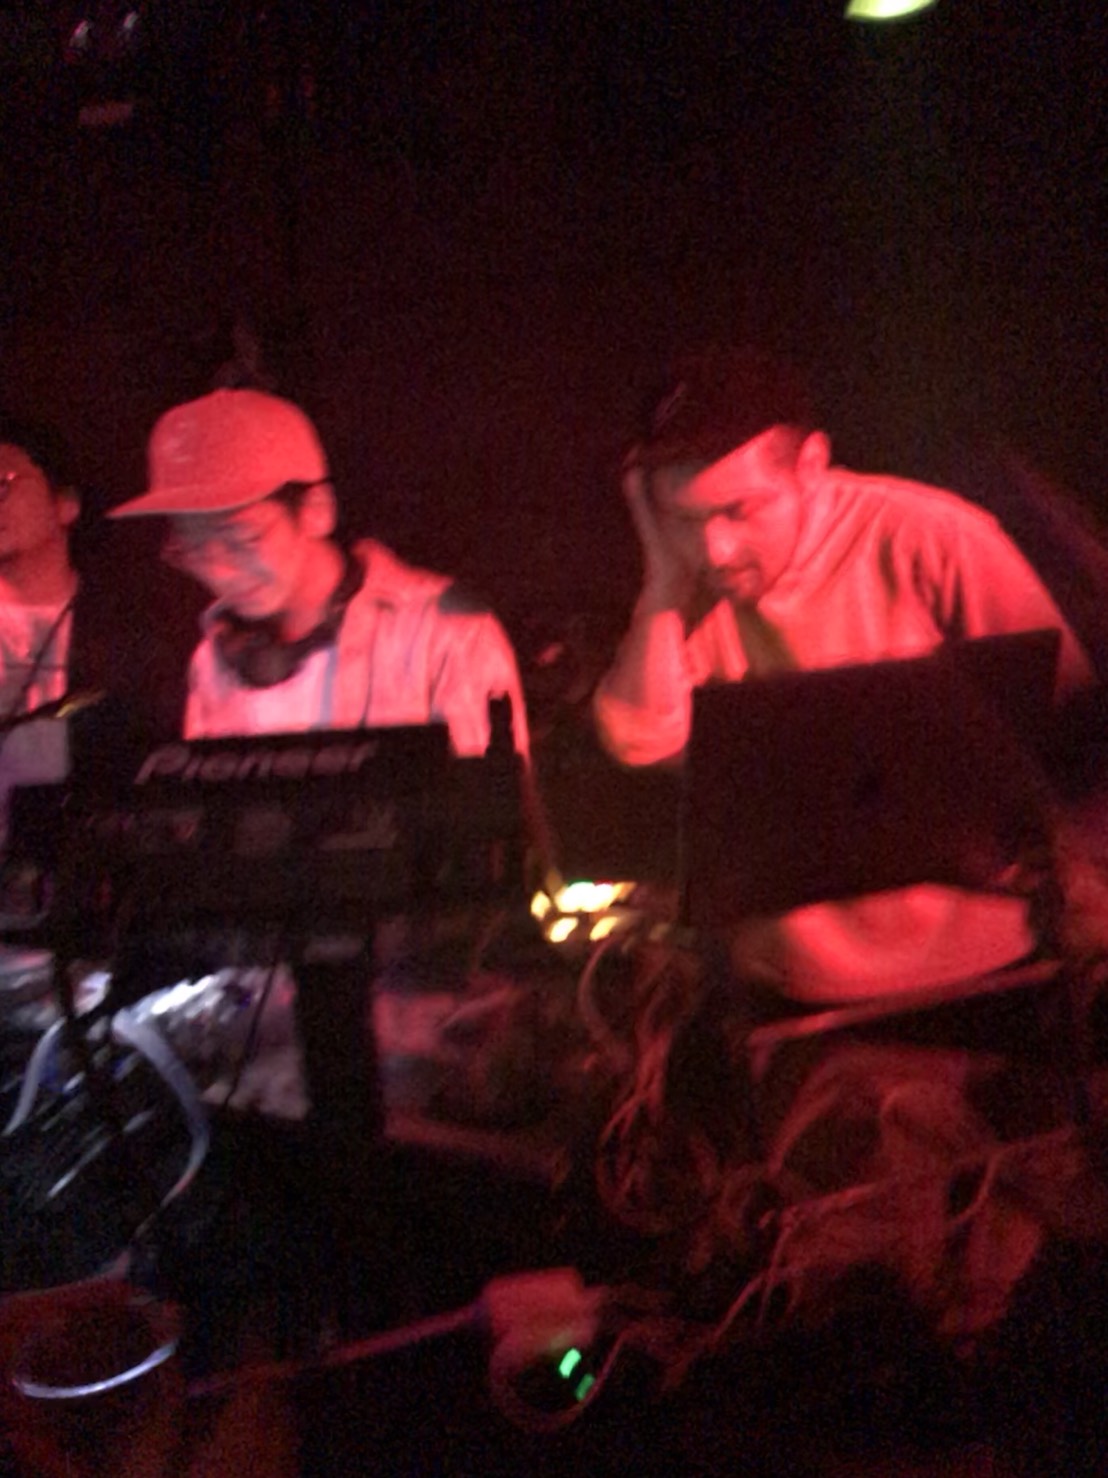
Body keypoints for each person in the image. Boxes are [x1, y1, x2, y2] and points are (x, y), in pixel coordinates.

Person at [593, 347, 1095, 1004]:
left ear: (811, 466)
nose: (716, 549)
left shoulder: (933, 538)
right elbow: (642, 741)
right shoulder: (690, 583)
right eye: (684, 520)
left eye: (739, 510)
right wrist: (661, 585)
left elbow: (1073, 719)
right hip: (792, 992)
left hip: (990, 969)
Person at [109, 387, 529, 756]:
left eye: (243, 539)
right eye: (194, 549)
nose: (218, 571)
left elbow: (488, 810)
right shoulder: (212, 659)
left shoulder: (445, 632)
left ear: (317, 510)